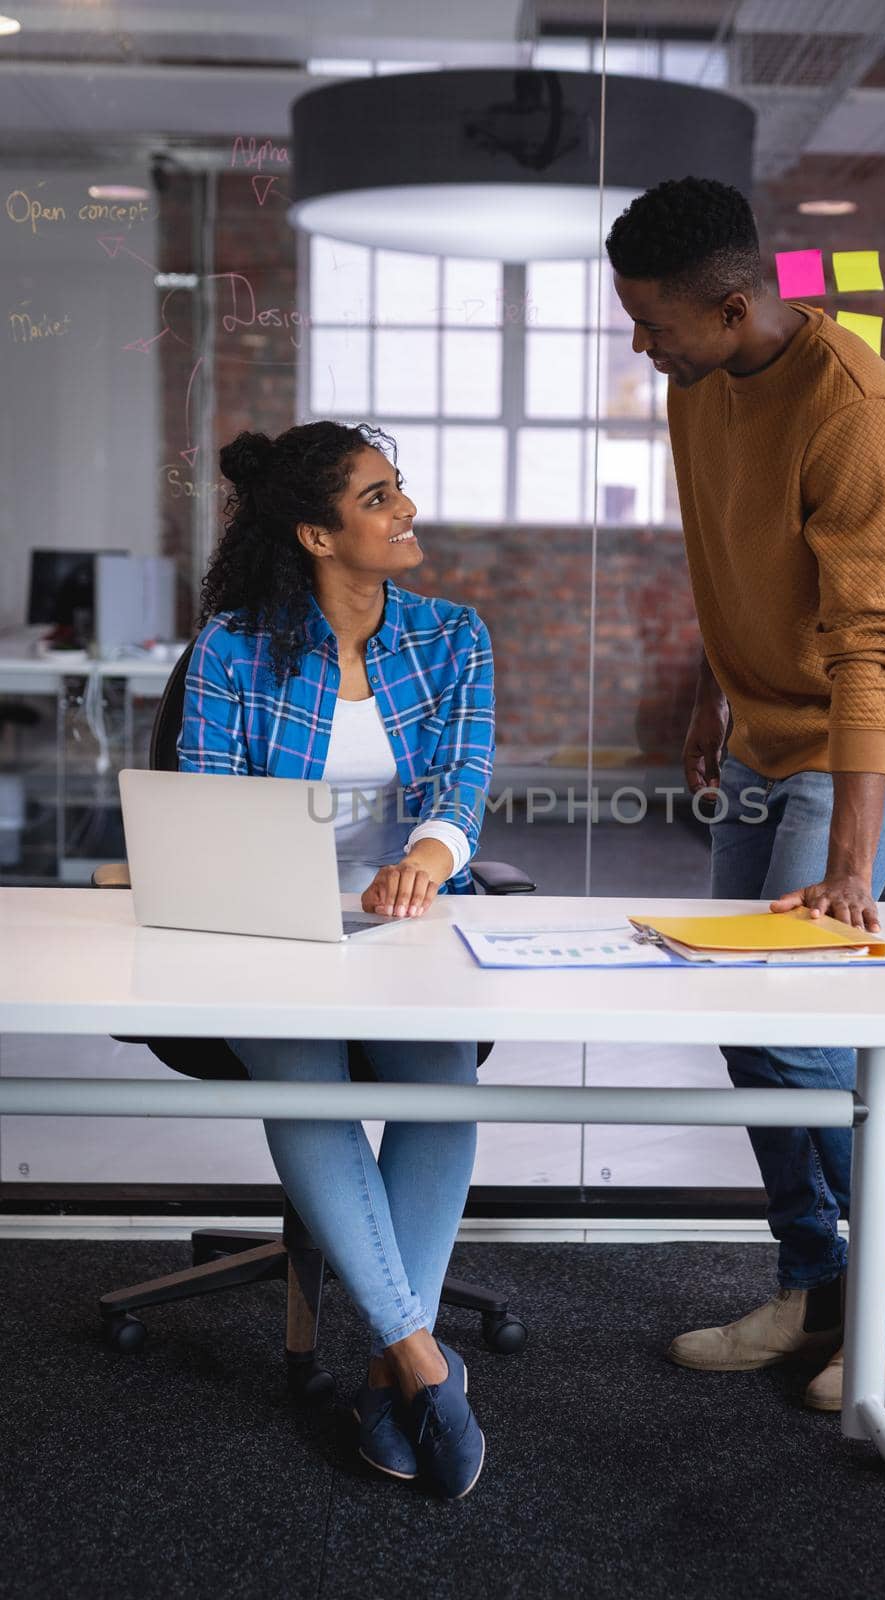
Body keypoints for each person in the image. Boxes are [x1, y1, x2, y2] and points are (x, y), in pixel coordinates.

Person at [606, 178, 885, 1410]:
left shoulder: (853, 408)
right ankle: (816, 1281)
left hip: (860, 739)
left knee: (793, 1021)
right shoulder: (694, 380)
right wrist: (711, 693)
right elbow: (730, 554)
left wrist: (851, 864)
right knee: (734, 1008)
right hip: (761, 727)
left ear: (735, 304)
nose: (638, 344)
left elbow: (868, 643)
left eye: (652, 323)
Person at [177, 419, 493, 1496]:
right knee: (298, 1067)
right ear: (315, 533)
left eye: (396, 488)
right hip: (269, 925)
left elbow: (463, 780)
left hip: (407, 918)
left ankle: (388, 1368)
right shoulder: (232, 645)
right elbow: (209, 805)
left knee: (443, 1077)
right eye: (376, 497)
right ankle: (416, 1361)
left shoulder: (452, 636)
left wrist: (426, 854)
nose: (405, 510)